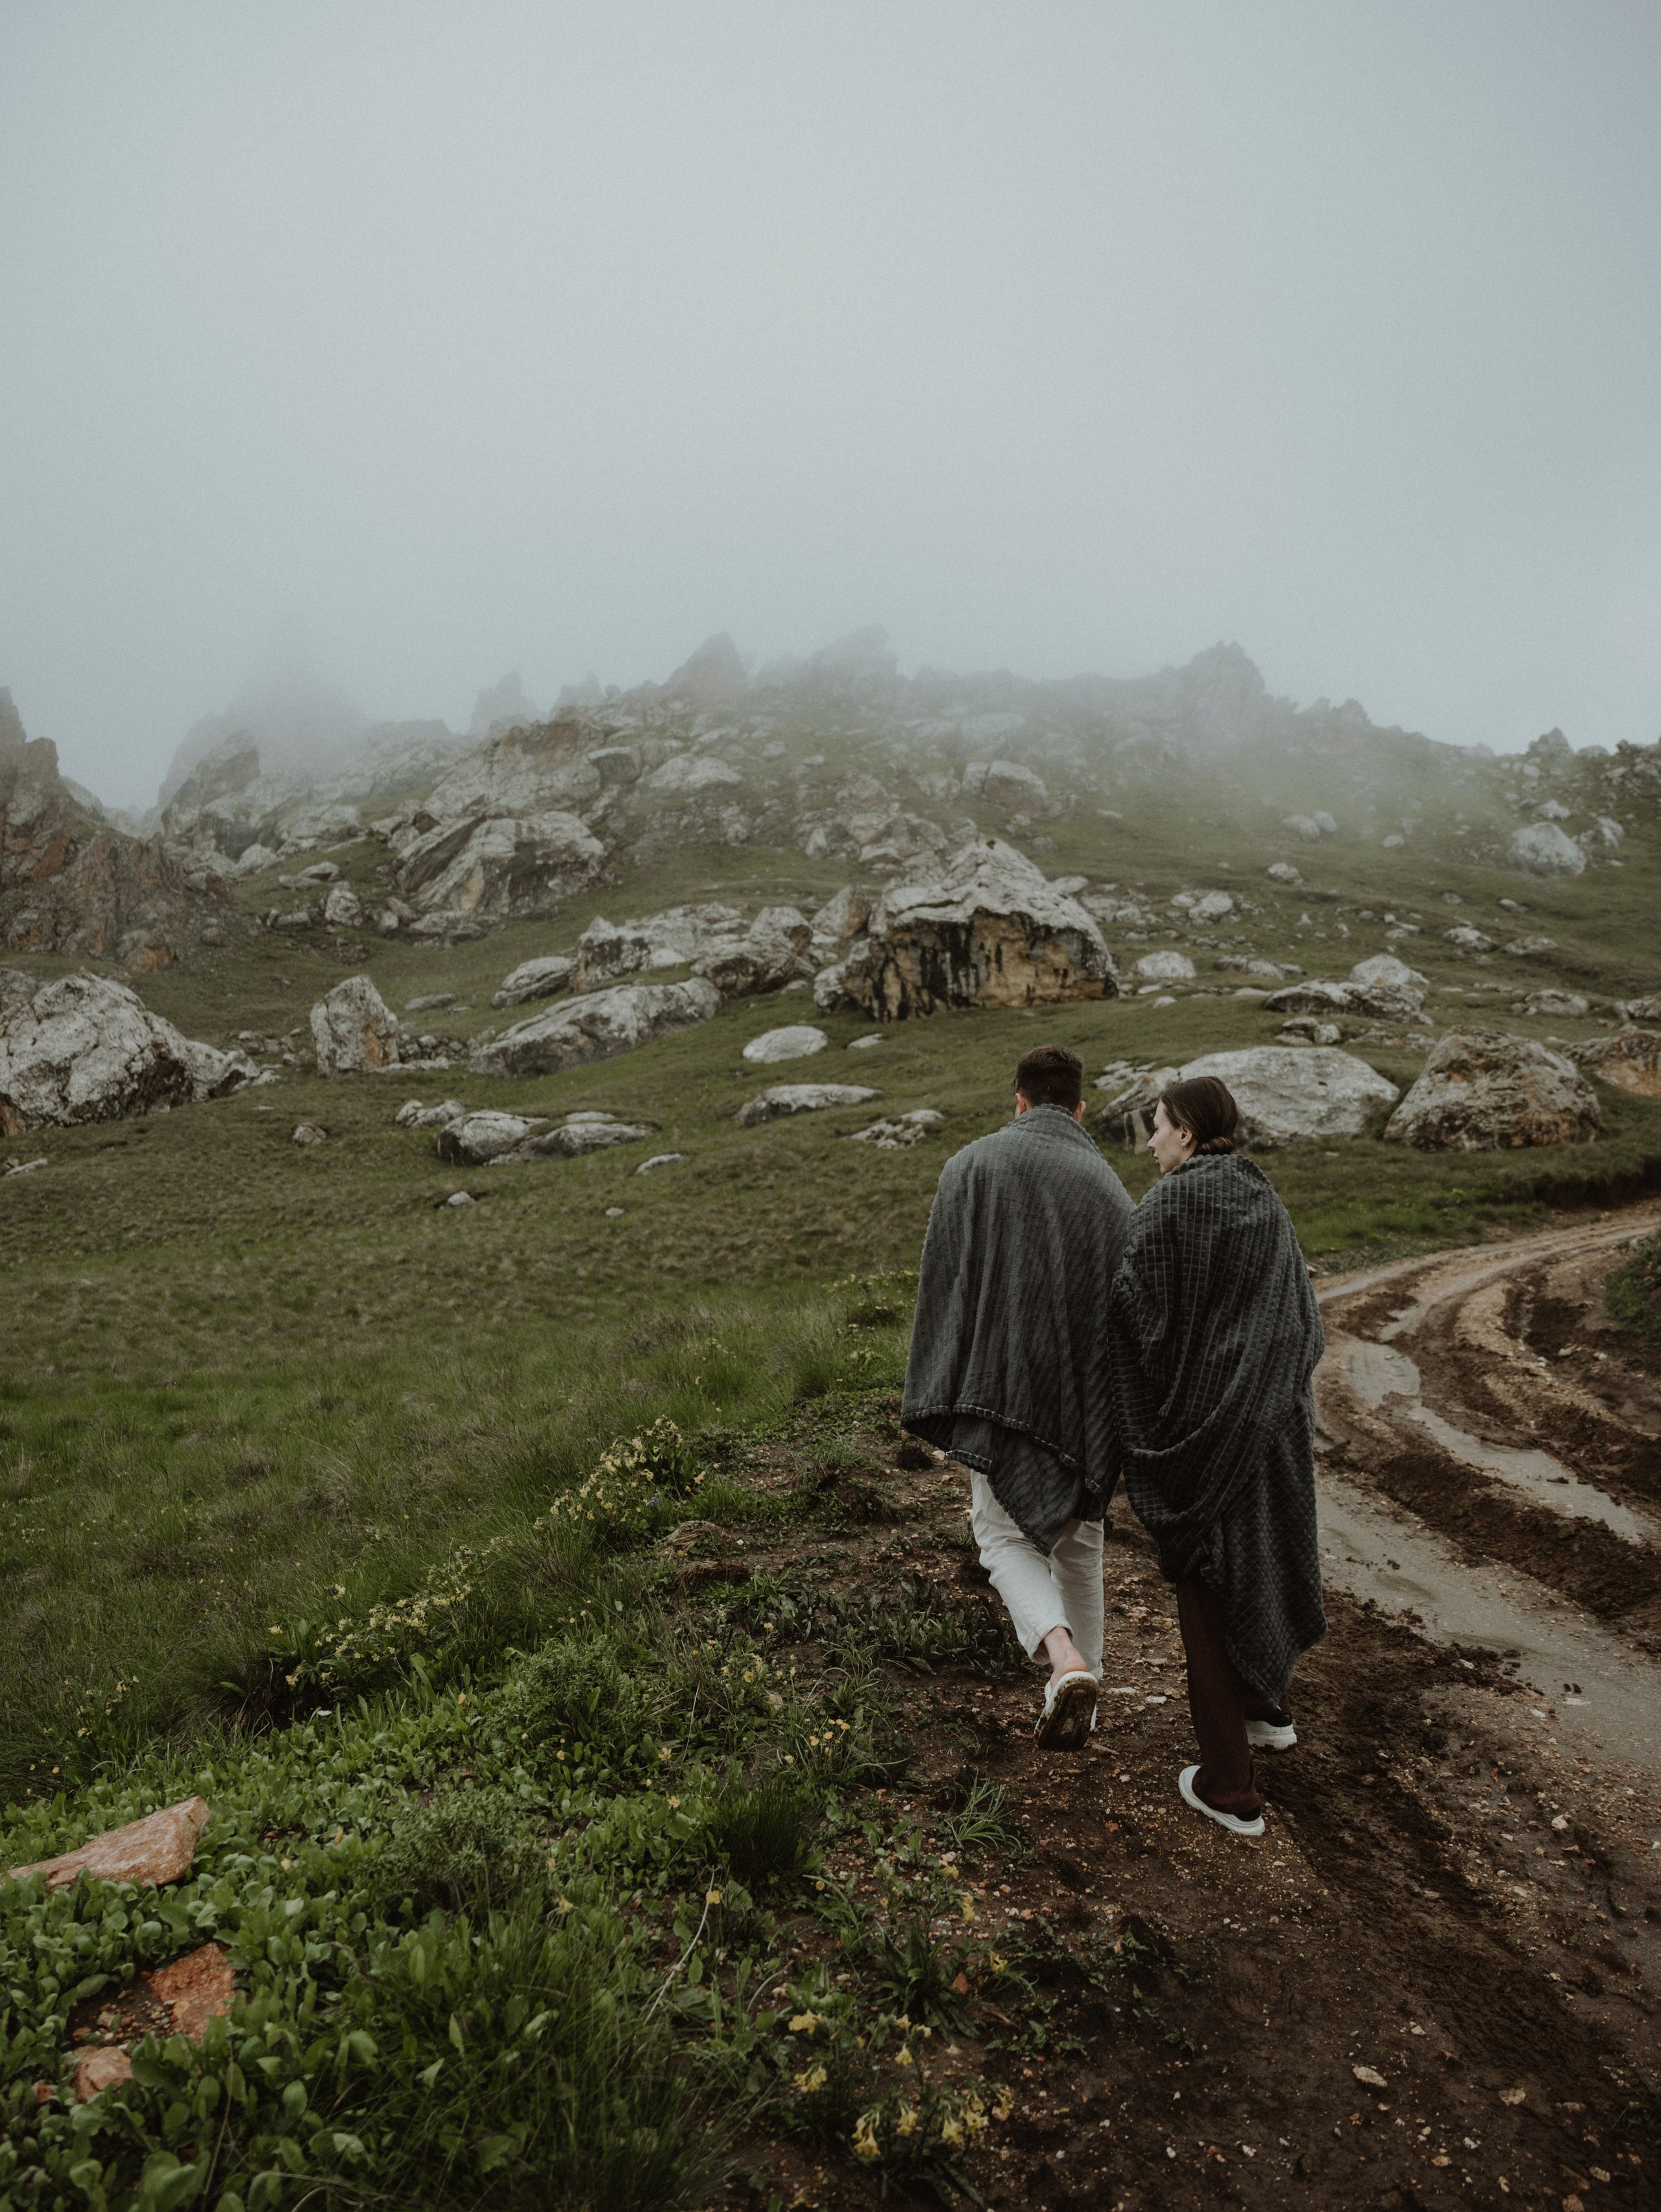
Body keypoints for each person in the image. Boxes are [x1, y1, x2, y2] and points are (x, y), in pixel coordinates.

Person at [1106, 1076, 1326, 1838]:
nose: (1150, 1143)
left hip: (1208, 1433)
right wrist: (1260, 1388)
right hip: (1270, 1423)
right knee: (1265, 1552)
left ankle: (1229, 1787)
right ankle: (1270, 1708)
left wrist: (1160, 1415)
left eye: (1158, 1128)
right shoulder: (1260, 1194)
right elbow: (1300, 1316)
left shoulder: (1168, 1203)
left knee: (1205, 1583)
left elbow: (1137, 1317)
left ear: (1189, 1134)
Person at [903, 1043, 1134, 1749]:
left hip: (1000, 1383)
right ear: (1080, 1106)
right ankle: (1083, 1693)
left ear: (1020, 1100)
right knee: (1082, 1543)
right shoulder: (1111, 1190)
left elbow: (945, 1282)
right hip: (1084, 1398)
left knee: (1000, 1533)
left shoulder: (970, 1165)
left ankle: (1063, 1660)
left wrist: (948, 1376)